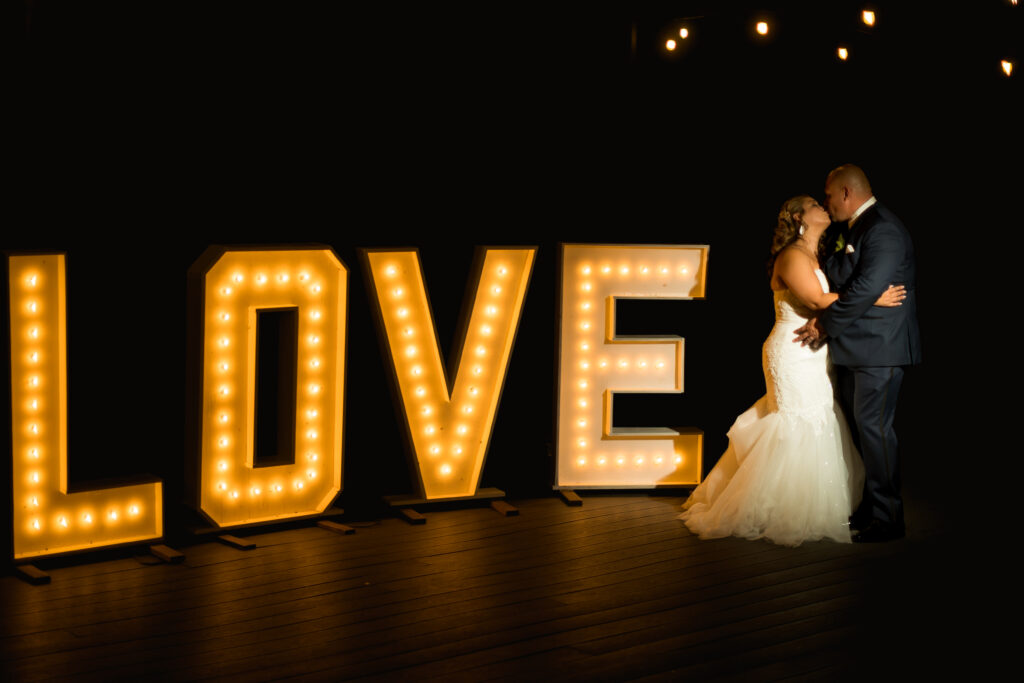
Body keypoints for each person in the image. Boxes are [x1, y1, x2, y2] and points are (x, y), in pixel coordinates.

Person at [679, 195, 905, 546]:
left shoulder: (818, 255)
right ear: (799, 217)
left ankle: (817, 504)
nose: (823, 206)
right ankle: (777, 507)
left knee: (820, 417)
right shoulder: (792, 256)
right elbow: (815, 300)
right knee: (795, 420)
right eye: (815, 204)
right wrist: (873, 297)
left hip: (814, 351)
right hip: (793, 351)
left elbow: (824, 299)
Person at [794, 165, 922, 543]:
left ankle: (888, 520)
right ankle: (869, 510)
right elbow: (842, 274)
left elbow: (866, 286)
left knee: (875, 431)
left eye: (829, 196)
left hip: (879, 349)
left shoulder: (883, 228)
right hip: (857, 347)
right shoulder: (851, 230)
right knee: (863, 434)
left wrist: (823, 324)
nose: (827, 202)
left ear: (846, 193)